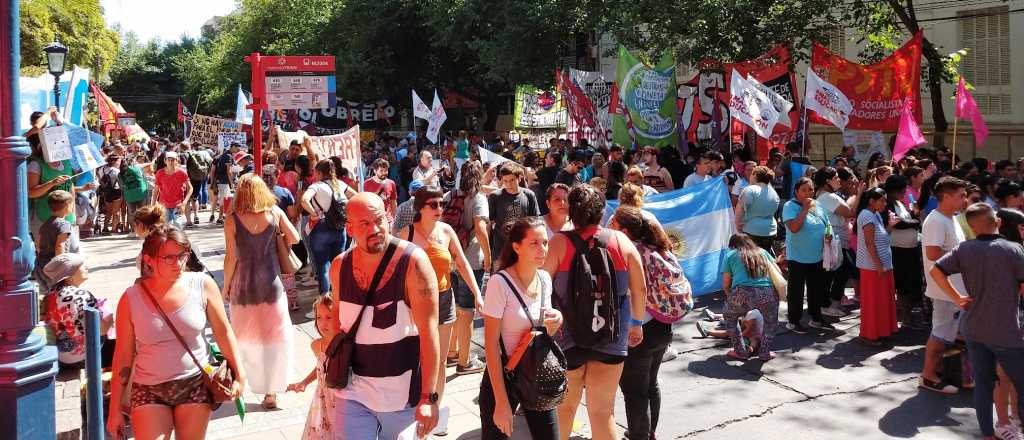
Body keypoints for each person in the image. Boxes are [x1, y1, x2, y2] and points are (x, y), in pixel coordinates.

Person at [106, 226, 245, 440]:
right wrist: (114, 409)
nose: (178, 263)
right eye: (168, 258)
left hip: (195, 384)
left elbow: (223, 332)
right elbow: (123, 357)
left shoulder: (203, 285)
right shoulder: (130, 299)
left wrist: (240, 375)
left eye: (182, 255)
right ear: (149, 260)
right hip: (148, 388)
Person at [328, 193, 441, 439]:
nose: (375, 229)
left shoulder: (413, 263)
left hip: (402, 399)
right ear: (349, 228)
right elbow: (338, 321)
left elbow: (430, 333)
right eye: (364, 224)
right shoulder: (339, 267)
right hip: (353, 394)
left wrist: (429, 397)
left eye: (379, 220)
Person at [542, 184, 647, 440]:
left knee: (564, 409)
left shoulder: (558, 243)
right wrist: (636, 323)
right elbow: (640, 288)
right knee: (602, 411)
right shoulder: (620, 241)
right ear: (601, 211)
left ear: (572, 211)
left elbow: (541, 287)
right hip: (611, 335)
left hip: (567, 337)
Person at [931, 203, 1024, 440]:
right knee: (1020, 383)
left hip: (974, 327)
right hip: (1006, 330)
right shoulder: (1013, 249)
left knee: (983, 384)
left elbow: (936, 271)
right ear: (998, 222)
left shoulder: (964, 249)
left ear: (971, 227)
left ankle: (987, 434)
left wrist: (956, 297)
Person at [400, 185, 484, 415]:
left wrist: (477, 294)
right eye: (433, 205)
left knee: (439, 360)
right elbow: (397, 271)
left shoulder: (446, 231)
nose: (439, 208)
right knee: (418, 357)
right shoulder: (407, 234)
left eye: (441, 204)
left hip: (444, 299)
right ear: (420, 207)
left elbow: (462, 263)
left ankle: (435, 409)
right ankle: (415, 404)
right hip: (415, 302)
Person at [610, 207, 692, 439]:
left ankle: (640, 436)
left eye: (613, 224)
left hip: (639, 329)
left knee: (634, 391)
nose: (609, 228)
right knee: (650, 383)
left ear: (625, 231)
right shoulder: (659, 248)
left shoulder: (628, 252)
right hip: (662, 327)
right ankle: (649, 432)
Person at [479, 217, 563, 439]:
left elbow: (543, 333)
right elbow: (490, 344)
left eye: (545, 242)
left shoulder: (544, 279)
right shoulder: (499, 283)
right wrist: (501, 402)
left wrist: (557, 319)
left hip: (537, 373)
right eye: (534, 243)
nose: (542, 249)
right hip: (504, 375)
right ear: (516, 247)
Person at [223, 174, 299, 409]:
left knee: (246, 340)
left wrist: (225, 286)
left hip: (243, 290)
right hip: (272, 288)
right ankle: (271, 392)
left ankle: (245, 382)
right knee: (274, 340)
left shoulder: (232, 220)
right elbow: (295, 238)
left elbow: (231, 258)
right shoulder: (274, 213)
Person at [919, 176, 970, 394]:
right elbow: (933, 253)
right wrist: (965, 259)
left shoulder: (952, 218)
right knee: (940, 335)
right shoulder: (936, 220)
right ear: (947, 197)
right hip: (945, 290)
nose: (965, 199)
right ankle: (928, 377)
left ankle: (946, 372)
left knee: (952, 334)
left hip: (956, 289)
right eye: (961, 195)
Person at [444, 162, 491, 374]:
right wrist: (488, 256)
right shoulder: (478, 199)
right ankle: (465, 361)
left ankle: (452, 352)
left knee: (455, 307)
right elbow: (480, 228)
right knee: (467, 311)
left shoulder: (450, 195)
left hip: (451, 259)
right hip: (471, 261)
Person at [715, 233, 779, 360]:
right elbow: (777, 271)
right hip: (767, 291)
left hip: (742, 292)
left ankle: (740, 351)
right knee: (770, 322)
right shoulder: (762, 252)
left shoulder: (731, 255)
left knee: (729, 316)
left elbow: (726, 284)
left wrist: (731, 300)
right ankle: (765, 352)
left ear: (733, 246)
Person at [43, 253, 115, 366]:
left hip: (61, 357)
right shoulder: (81, 295)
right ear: (69, 276)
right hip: (83, 357)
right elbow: (101, 330)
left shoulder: (50, 294)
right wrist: (110, 318)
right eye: (81, 265)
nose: (86, 267)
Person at [782, 177, 833, 333]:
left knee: (816, 289)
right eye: (803, 190)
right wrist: (804, 209)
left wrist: (829, 234)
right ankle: (793, 321)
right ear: (796, 191)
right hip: (797, 257)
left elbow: (827, 223)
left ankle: (816, 318)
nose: (808, 193)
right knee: (796, 291)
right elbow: (794, 228)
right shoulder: (790, 206)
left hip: (817, 256)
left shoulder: (818, 205)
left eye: (810, 189)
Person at [301, 159, 356, 298]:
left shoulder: (316, 186)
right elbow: (356, 197)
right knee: (338, 264)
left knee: (323, 266)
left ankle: (325, 299)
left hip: (321, 227)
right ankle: (341, 296)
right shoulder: (340, 184)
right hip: (339, 228)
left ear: (319, 172)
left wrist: (313, 213)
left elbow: (304, 200)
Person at [287, 296, 339, 439]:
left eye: (329, 317)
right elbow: (321, 368)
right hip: (323, 398)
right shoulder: (317, 345)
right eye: (318, 317)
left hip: (341, 400)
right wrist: (304, 382)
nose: (323, 323)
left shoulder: (345, 346)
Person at [814, 167, 859, 318]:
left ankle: (830, 303)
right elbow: (850, 212)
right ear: (828, 181)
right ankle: (829, 304)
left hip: (838, 239)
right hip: (835, 239)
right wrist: (858, 194)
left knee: (839, 271)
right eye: (836, 177)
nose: (839, 180)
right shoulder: (827, 197)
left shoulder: (829, 195)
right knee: (840, 271)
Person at [855, 187, 898, 345]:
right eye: (882, 200)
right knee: (873, 302)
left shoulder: (876, 214)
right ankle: (869, 335)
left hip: (882, 265)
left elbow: (881, 236)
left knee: (882, 301)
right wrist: (879, 266)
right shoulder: (866, 215)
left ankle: (881, 331)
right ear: (871, 201)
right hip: (872, 268)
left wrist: (891, 226)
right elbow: (869, 243)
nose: (885, 203)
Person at [885, 175, 924, 328]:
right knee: (902, 286)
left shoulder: (899, 203)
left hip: (910, 249)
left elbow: (907, 218)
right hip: (898, 250)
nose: (904, 193)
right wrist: (915, 222)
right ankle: (904, 317)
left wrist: (914, 215)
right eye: (902, 190)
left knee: (909, 285)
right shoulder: (887, 203)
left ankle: (904, 315)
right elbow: (898, 223)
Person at [262, 165, 301, 311]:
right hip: (282, 237)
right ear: (277, 176)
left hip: (263, 241)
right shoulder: (284, 192)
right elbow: (292, 214)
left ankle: (273, 301)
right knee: (286, 269)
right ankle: (292, 300)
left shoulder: (256, 196)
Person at [488, 162, 541, 270]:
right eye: (505, 181)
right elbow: (489, 223)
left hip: (523, 249)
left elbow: (535, 222)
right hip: (500, 250)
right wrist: (487, 249)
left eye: (512, 180)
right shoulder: (495, 197)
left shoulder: (529, 195)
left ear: (519, 178)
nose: (508, 184)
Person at [34, 190, 78, 290]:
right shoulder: (64, 225)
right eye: (72, 204)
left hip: (41, 265)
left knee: (50, 292)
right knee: (61, 291)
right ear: (67, 205)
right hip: (55, 268)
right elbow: (60, 246)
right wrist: (62, 268)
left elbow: (38, 245)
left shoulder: (45, 224)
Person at [735, 166, 780, 256]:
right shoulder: (773, 192)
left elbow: (740, 210)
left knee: (751, 260)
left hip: (751, 232)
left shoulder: (749, 189)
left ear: (755, 175)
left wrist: (738, 226)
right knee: (765, 260)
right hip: (770, 231)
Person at [153, 151, 193, 227]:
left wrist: (184, 202)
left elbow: (190, 188)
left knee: (177, 228)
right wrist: (153, 204)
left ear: (177, 161)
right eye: (168, 160)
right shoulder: (159, 173)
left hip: (178, 205)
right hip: (164, 205)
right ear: (165, 161)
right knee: (166, 229)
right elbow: (156, 190)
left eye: (173, 160)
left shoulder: (182, 172)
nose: (170, 162)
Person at [119, 154, 150, 232]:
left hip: (129, 195)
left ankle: (133, 231)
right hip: (141, 193)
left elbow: (121, 187)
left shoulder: (120, 174)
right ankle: (143, 230)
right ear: (132, 161)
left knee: (131, 213)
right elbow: (144, 179)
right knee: (142, 212)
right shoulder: (138, 168)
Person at [364, 158, 399, 224]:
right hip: (375, 221)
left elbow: (393, 202)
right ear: (375, 171)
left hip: (389, 219)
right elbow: (367, 204)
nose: (384, 173)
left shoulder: (391, 183)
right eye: (381, 171)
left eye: (386, 170)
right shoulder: (367, 183)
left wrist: (395, 218)